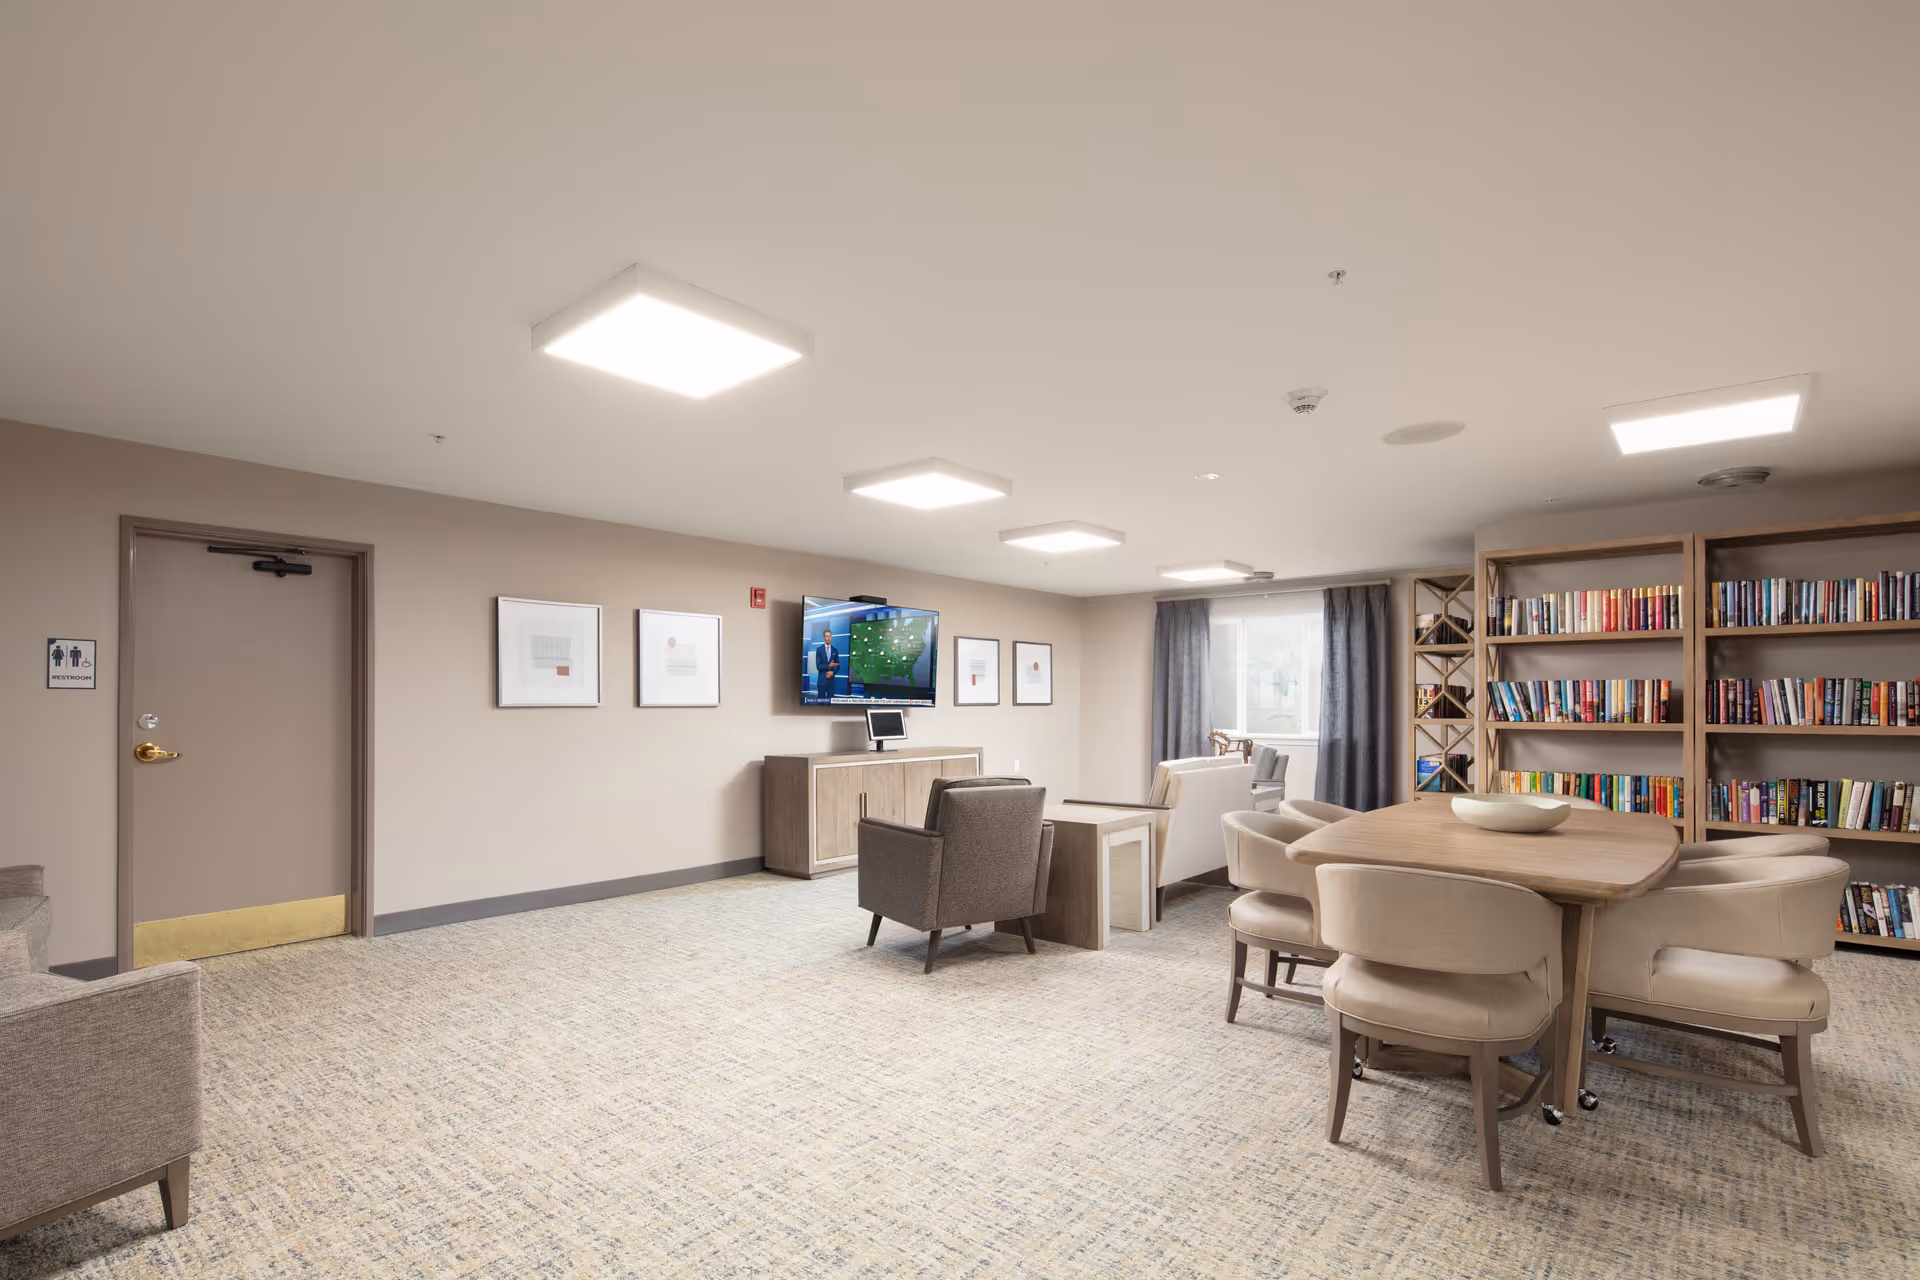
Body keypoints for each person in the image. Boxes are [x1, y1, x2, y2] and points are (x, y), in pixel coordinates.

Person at [812, 626, 842, 699]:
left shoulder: (835, 650)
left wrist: (832, 673)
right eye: (827, 636)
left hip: (831, 683)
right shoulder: (819, 650)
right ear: (824, 638)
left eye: (829, 636)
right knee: (821, 704)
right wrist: (829, 666)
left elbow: (838, 666)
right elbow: (818, 666)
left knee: (829, 705)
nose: (828, 638)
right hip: (822, 682)